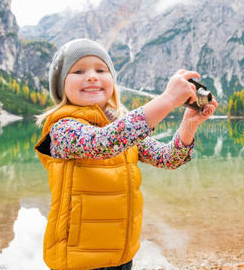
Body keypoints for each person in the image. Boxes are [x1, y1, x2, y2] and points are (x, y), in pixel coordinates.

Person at [34, 38, 217, 270]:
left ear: (112, 81)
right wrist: (168, 100)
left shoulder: (122, 126)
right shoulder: (63, 128)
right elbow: (103, 143)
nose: (92, 76)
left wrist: (188, 127)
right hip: (77, 258)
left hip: (121, 254)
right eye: (78, 71)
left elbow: (167, 158)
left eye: (101, 70)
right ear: (61, 86)